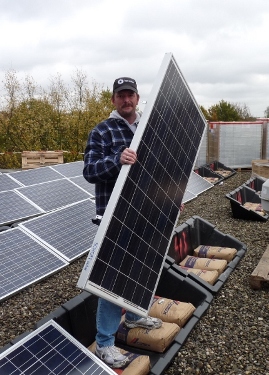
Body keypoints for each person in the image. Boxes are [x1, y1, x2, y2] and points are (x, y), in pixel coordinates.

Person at [83, 77, 162, 369]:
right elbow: (90, 171)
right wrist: (117, 159)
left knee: (139, 269)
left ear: (137, 98)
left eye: (130, 95)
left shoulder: (146, 129)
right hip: (114, 215)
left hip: (144, 213)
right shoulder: (102, 131)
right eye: (121, 96)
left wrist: (168, 198)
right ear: (114, 100)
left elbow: (156, 170)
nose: (126, 100)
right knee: (113, 278)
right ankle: (105, 343)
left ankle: (133, 316)